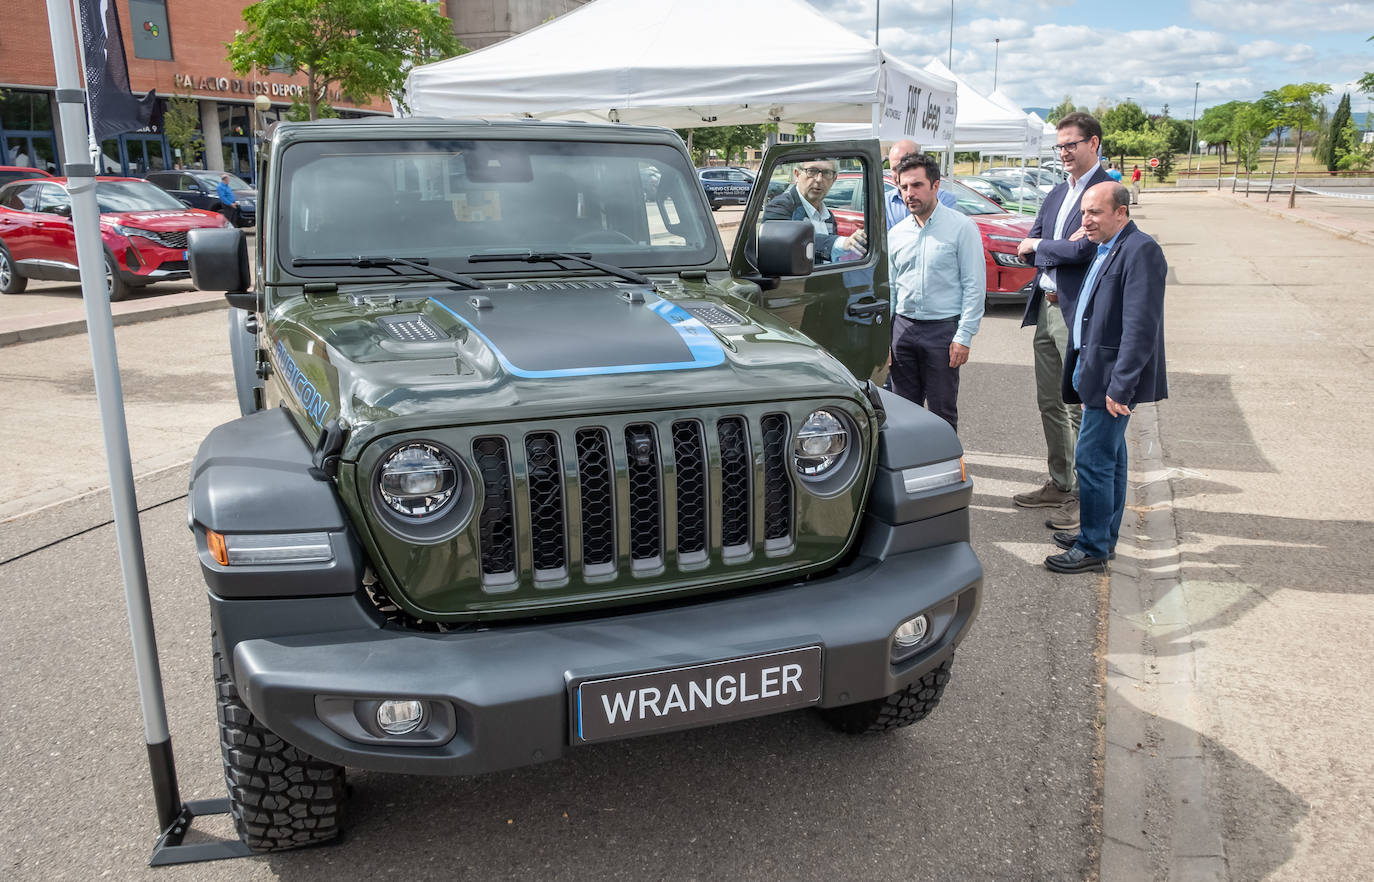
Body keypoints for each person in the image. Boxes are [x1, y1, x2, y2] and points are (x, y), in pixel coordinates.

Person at [1045, 182, 1168, 573]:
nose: (1086, 220)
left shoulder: (1140, 249)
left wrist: (1122, 384)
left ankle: (1093, 545)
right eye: (1084, 212)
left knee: (1092, 458)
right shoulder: (1106, 247)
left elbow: (1140, 327)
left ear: (1121, 212)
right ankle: (1101, 533)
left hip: (1112, 377)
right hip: (1093, 367)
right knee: (1111, 458)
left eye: (1095, 212)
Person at [1013, 112, 1112, 532]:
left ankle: (1081, 495)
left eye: (1071, 145)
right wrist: (1049, 245)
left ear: (1093, 143)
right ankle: (1059, 481)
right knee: (1049, 402)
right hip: (1046, 306)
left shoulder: (1103, 191)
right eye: (1060, 146)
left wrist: (1042, 246)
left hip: (1077, 310)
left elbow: (1084, 252)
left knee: (1077, 407)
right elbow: (1026, 248)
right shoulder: (1056, 193)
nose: (1064, 153)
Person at [887, 153, 985, 432]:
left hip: (942, 331)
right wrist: (886, 337)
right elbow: (892, 288)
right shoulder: (897, 233)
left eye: (917, 185)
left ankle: (946, 471)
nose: (909, 193)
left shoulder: (961, 228)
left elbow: (974, 286)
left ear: (935, 185)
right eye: (904, 187)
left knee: (942, 411)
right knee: (903, 412)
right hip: (903, 330)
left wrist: (963, 336)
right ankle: (910, 471)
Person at [764, 158, 866, 263]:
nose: (819, 179)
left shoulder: (828, 217)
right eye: (812, 171)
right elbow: (792, 241)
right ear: (797, 175)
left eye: (826, 173)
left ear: (834, 179)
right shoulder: (779, 206)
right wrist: (840, 243)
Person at [886, 139, 956, 228]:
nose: (901, 173)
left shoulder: (945, 199)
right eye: (894, 169)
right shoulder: (884, 202)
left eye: (916, 185)